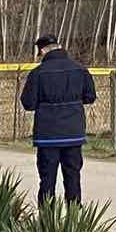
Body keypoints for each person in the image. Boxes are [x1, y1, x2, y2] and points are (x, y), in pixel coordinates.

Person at [20, 34, 96, 205]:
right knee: (73, 178)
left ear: (42, 50)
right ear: (59, 46)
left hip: (47, 135)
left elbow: (28, 103)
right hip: (73, 132)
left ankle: (48, 221)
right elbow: (90, 97)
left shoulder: (37, 73)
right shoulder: (80, 69)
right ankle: (74, 219)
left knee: (47, 180)